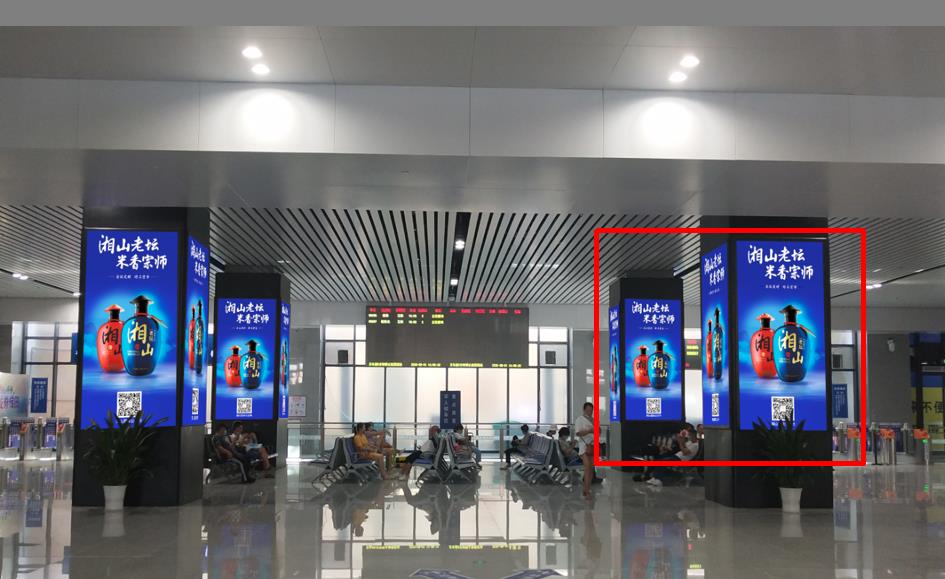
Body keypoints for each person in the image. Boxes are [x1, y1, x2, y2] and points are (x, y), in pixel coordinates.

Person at [574, 402, 596, 499]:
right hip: (584, 446)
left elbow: (598, 431)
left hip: (593, 445)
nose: (589, 412)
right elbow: (578, 433)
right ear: (584, 410)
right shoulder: (580, 419)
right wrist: (589, 431)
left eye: (591, 410)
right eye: (588, 410)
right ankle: (587, 492)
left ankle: (586, 489)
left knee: (591, 469)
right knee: (587, 468)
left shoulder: (594, 420)